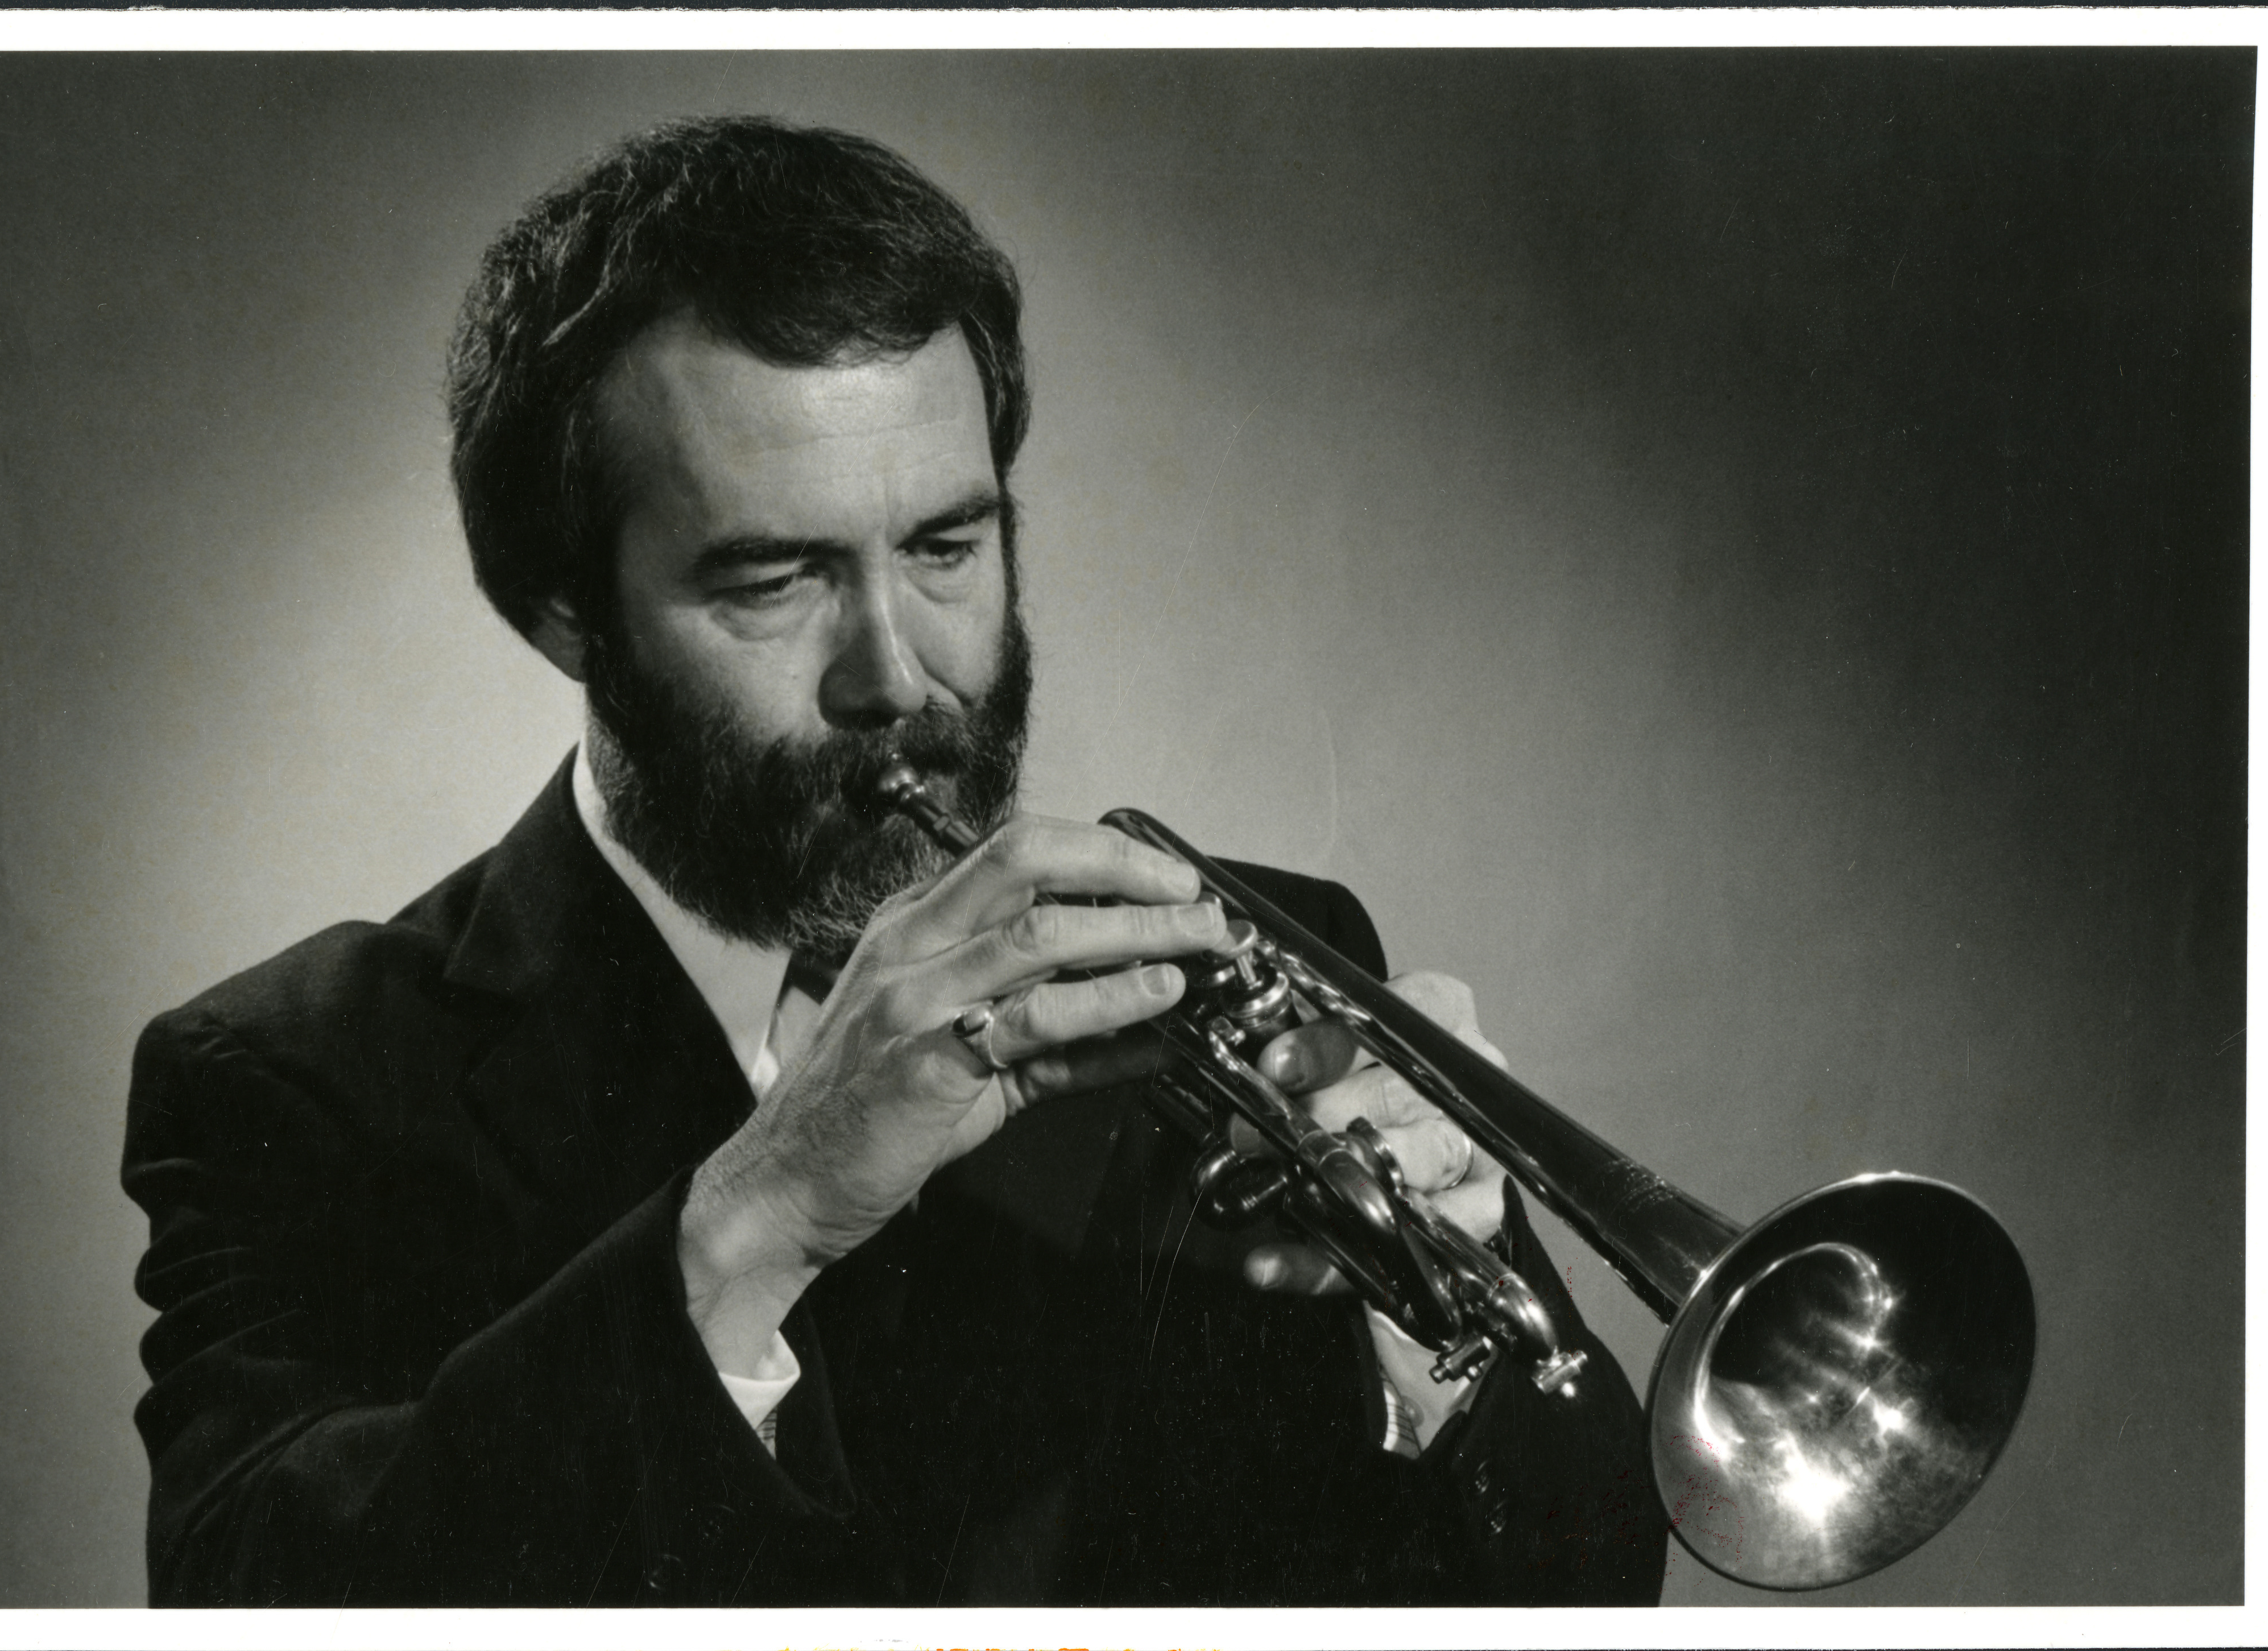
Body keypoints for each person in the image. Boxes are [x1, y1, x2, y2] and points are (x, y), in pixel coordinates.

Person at [121, 115, 1669, 1607]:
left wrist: (1445, 1351)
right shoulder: (291, 1077)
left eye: (945, 548)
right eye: (774, 579)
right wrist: (762, 1212)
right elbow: (260, 1597)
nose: (901, 678)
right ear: (563, 613)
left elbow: (1588, 1578)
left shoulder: (1260, 961)